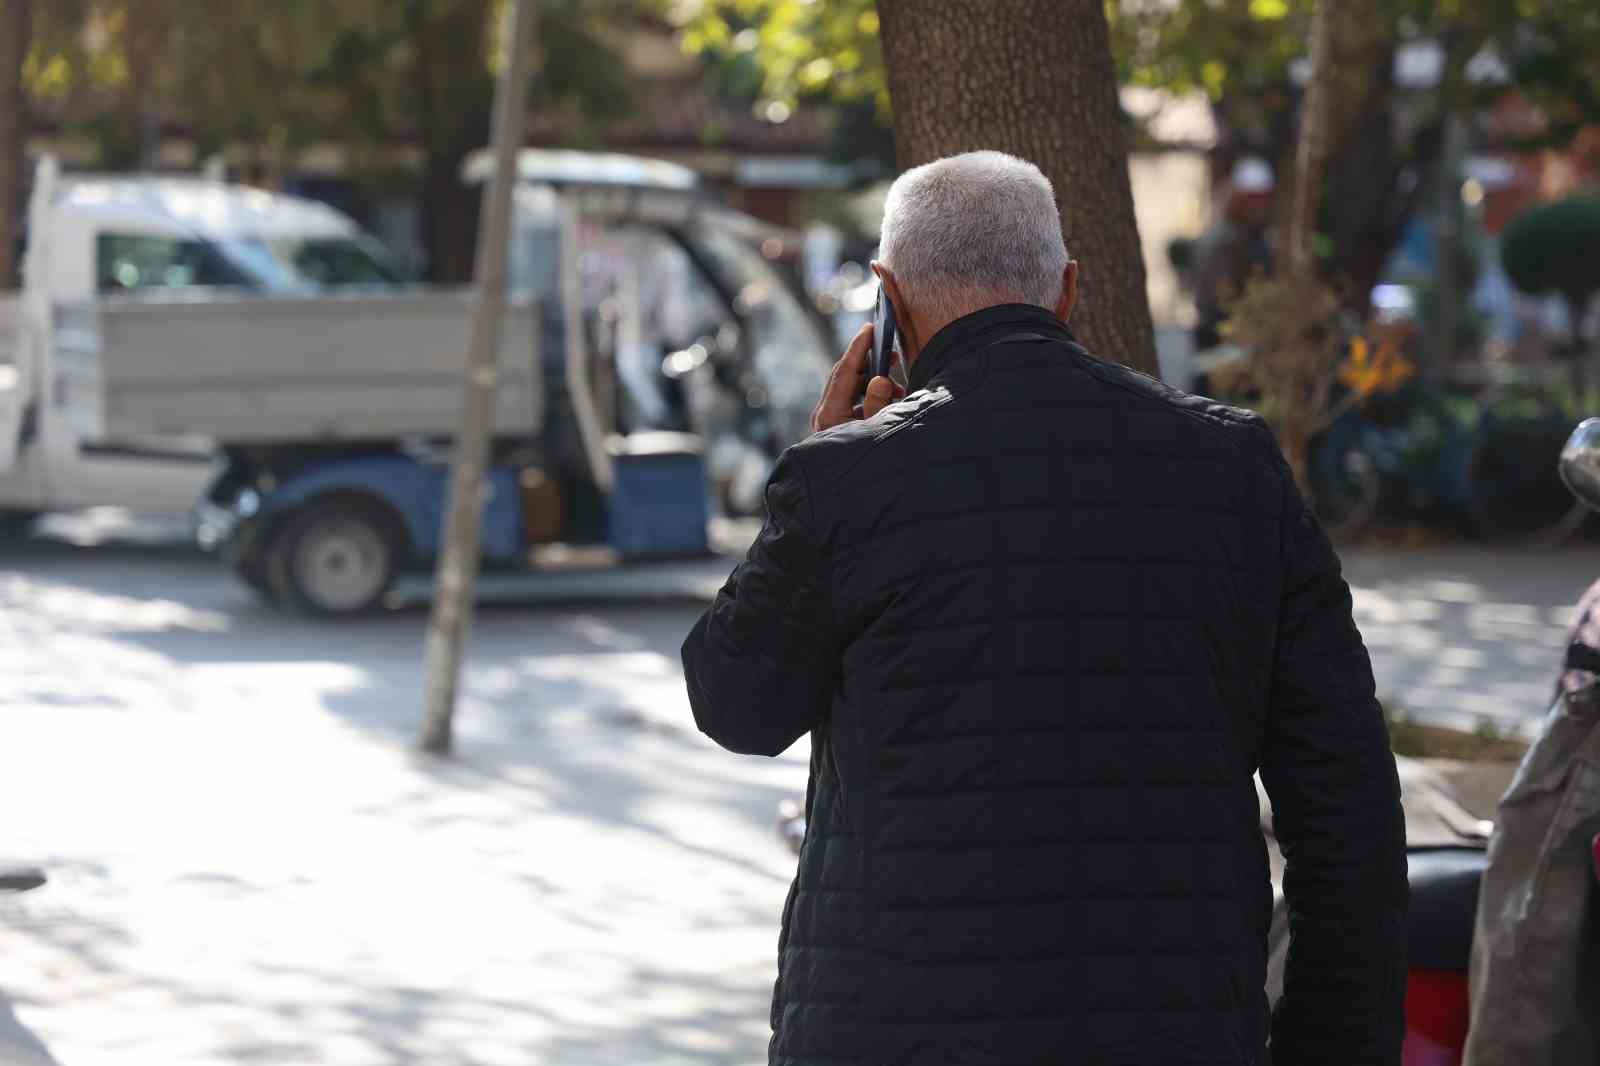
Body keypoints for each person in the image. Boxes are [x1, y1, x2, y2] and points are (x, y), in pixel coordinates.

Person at [681, 150, 1407, 1065]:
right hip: (1173, 1030)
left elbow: (735, 704)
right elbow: (1346, 808)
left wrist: (826, 460)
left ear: (887, 301)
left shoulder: (850, 479)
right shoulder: (1234, 468)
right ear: (1065, 290)